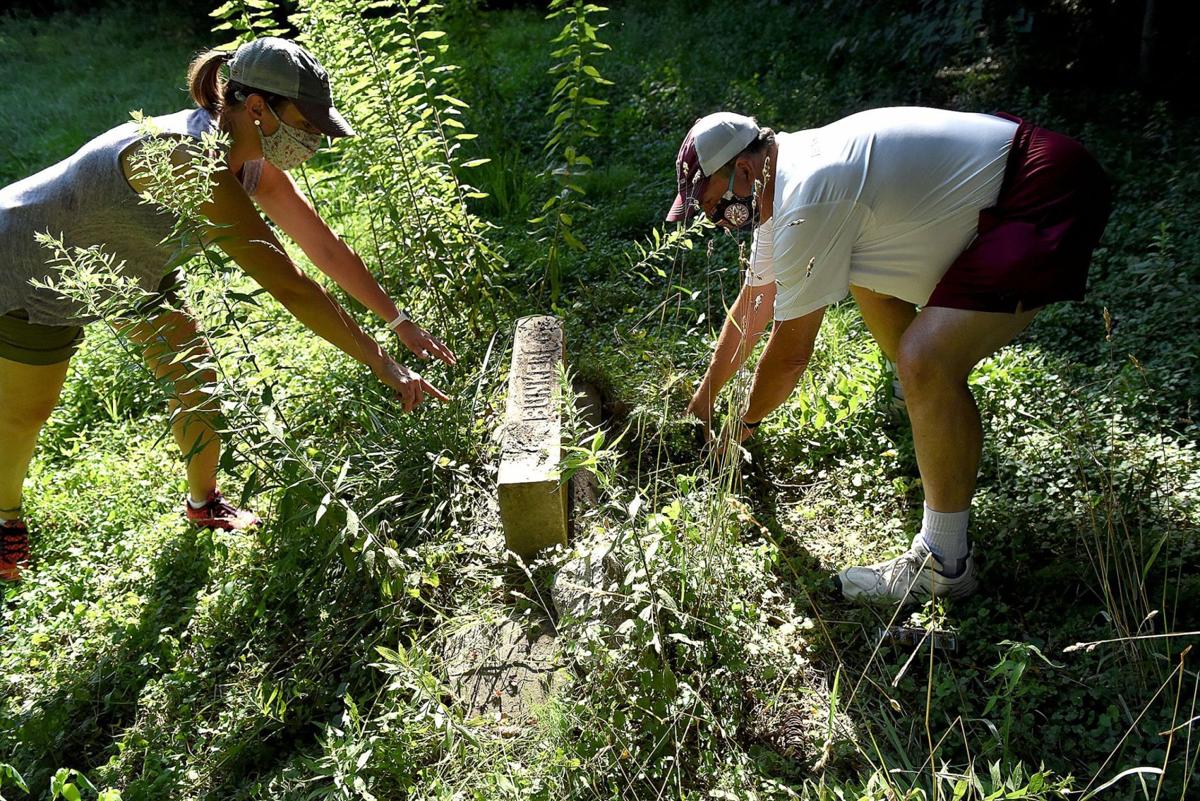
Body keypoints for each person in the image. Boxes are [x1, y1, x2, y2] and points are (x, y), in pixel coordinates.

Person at [0, 38, 457, 583]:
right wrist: (382, 362)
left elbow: (325, 248)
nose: (313, 139)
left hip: (129, 267)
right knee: (25, 412)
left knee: (197, 383)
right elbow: (289, 285)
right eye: (305, 123)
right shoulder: (189, 160)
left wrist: (399, 322)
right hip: (27, 264)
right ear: (257, 107)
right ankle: (4, 522)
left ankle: (202, 503)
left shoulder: (247, 160)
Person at [670, 107, 1111, 605]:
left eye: (712, 204)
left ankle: (944, 564)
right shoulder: (784, 172)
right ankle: (922, 401)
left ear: (743, 170)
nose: (714, 219)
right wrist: (703, 403)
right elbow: (754, 303)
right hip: (1023, 175)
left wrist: (739, 429)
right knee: (866, 268)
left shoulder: (807, 197)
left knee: (928, 360)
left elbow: (791, 354)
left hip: (1043, 190)